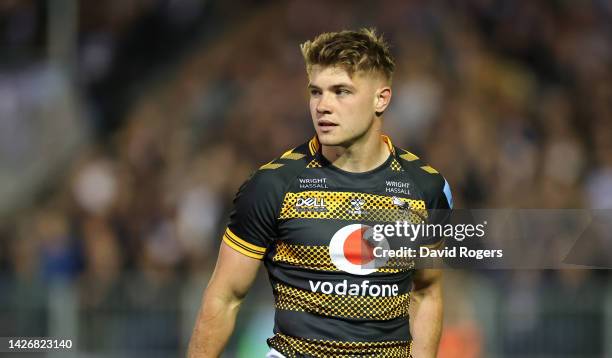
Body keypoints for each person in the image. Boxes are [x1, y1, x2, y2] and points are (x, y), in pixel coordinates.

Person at [188, 28, 453, 358]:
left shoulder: (426, 188)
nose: (323, 106)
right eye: (316, 92)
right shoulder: (273, 184)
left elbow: (426, 292)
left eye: (341, 91)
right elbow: (224, 296)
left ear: (381, 99)